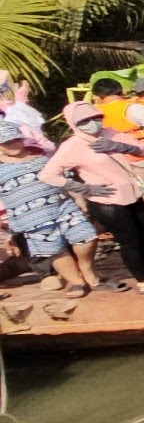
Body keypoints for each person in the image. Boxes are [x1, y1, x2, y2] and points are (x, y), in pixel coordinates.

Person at [41, 101, 144, 292]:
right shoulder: (73, 145)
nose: (93, 123)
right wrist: (85, 188)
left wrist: (120, 146)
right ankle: (143, 281)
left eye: (96, 118)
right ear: (74, 124)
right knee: (129, 240)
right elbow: (47, 175)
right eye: (85, 121)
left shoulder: (110, 133)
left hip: (132, 193)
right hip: (106, 201)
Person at [0, 121, 103, 297]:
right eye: (6, 142)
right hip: (31, 220)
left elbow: (63, 179)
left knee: (87, 236)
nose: (12, 145)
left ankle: (87, 271)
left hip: (63, 207)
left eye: (15, 140)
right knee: (54, 250)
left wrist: (79, 198)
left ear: (22, 139)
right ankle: (76, 282)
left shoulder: (42, 158)